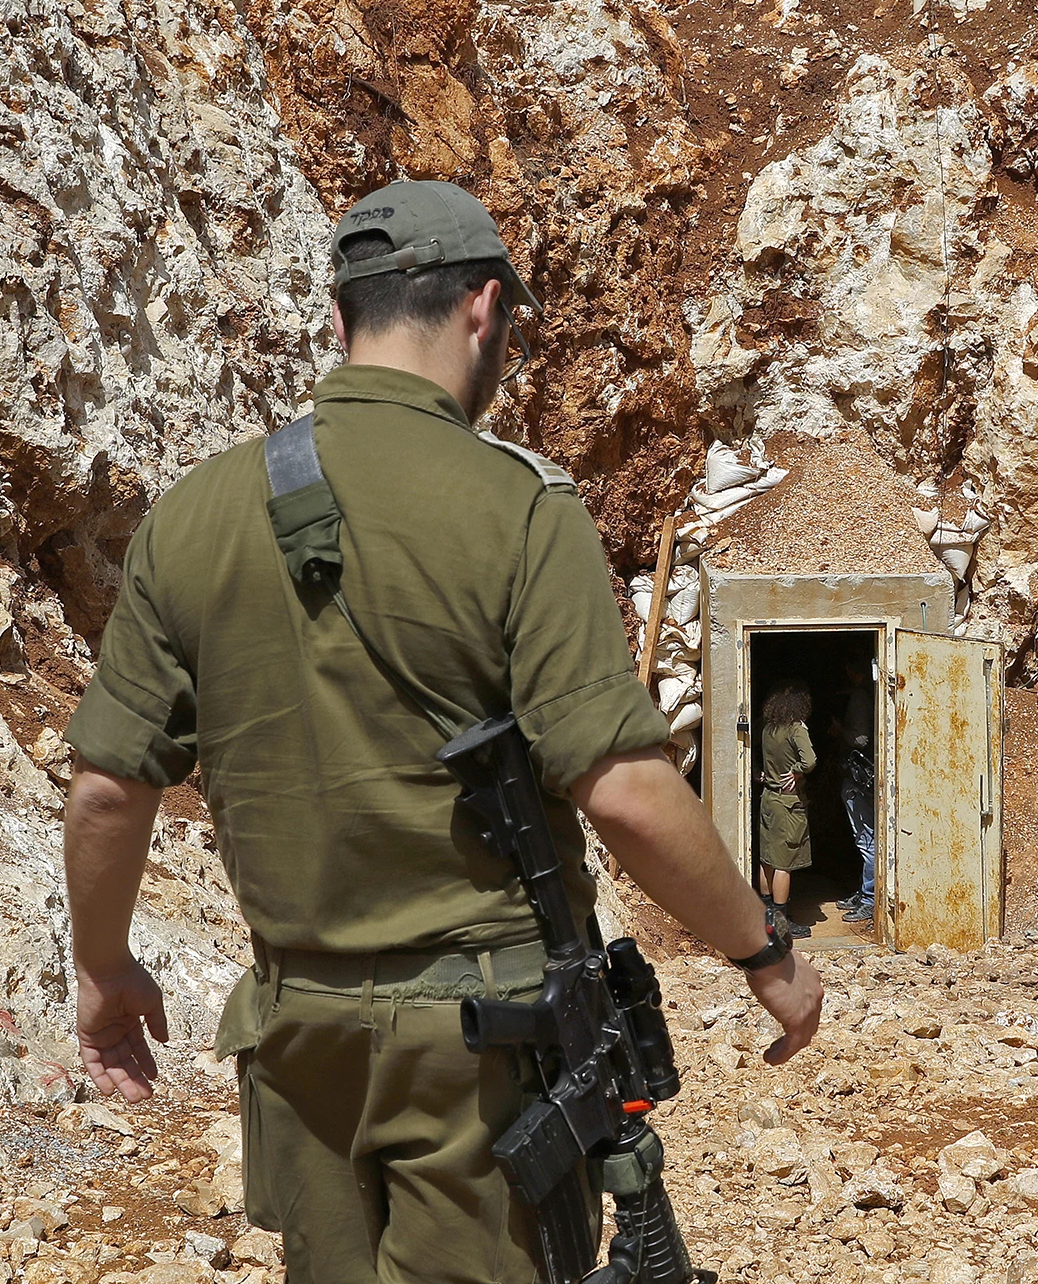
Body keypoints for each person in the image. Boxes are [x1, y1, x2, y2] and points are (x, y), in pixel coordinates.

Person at [60, 180, 824, 1284]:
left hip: (295, 1030)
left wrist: (103, 965)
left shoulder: (192, 515)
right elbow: (624, 789)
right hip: (480, 1042)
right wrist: (764, 947)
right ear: (483, 310)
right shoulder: (521, 508)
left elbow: (105, 792)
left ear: (340, 322)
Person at [754, 682, 816, 932]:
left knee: (767, 859)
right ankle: (781, 925)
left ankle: (768, 917)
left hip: (768, 798)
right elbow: (810, 760)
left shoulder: (768, 728)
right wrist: (798, 771)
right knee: (784, 864)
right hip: (788, 803)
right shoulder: (795, 729)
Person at [834, 656, 878, 923]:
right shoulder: (868, 693)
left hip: (860, 779)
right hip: (865, 779)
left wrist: (840, 731)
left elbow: (860, 739)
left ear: (852, 668)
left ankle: (870, 899)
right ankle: (865, 892)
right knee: (866, 838)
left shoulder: (861, 697)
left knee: (867, 839)